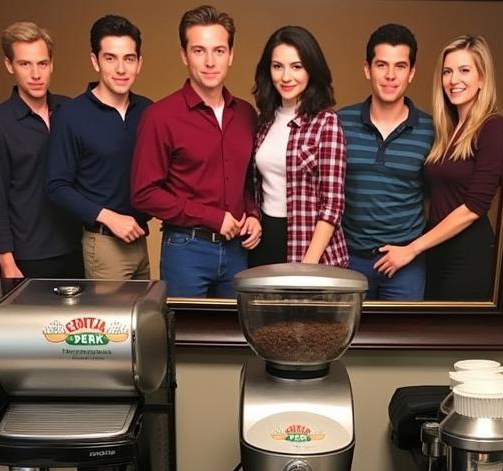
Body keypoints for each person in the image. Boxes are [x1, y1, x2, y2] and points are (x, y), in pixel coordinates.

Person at [131, 6, 261, 297]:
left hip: (238, 251)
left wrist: (252, 214)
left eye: (218, 50)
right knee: (185, 336)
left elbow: (248, 181)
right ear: (184, 55)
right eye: (199, 50)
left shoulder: (246, 114)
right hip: (187, 250)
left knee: (236, 338)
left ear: (231, 55)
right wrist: (212, 218)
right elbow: (144, 193)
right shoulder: (160, 116)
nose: (210, 61)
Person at [374, 34, 503, 301]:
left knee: (455, 334)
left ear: (482, 78)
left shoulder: (492, 127)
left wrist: (412, 248)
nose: (454, 80)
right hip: (435, 249)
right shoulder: (445, 129)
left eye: (464, 70)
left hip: (467, 253)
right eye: (447, 72)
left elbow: (474, 207)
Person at [46, 15, 151, 280]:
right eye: (110, 58)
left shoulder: (148, 111)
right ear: (95, 61)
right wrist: (110, 218)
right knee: (113, 322)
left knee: (145, 320)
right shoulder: (71, 114)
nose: (121, 68)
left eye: (129, 58)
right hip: (104, 244)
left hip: (140, 239)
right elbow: (56, 186)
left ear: (139, 63)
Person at [337, 24, 434, 298]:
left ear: (411, 73)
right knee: (344, 338)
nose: (390, 76)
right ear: (367, 69)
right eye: (382, 65)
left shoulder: (431, 130)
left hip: (406, 261)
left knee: (402, 338)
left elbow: (434, 195)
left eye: (400, 66)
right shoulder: (340, 122)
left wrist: (412, 248)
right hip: (350, 259)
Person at [0, 22, 81, 278]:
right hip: (31, 253)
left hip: (77, 244)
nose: (36, 74)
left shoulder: (70, 110)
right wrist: (6, 258)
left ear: (52, 64)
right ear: (9, 66)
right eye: (25, 64)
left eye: (42, 64)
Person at [249, 26, 347, 268]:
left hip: (309, 249)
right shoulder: (264, 121)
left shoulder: (326, 123)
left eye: (296, 67)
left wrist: (307, 265)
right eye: (277, 66)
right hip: (265, 241)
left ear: (311, 70)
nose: (286, 77)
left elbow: (332, 204)